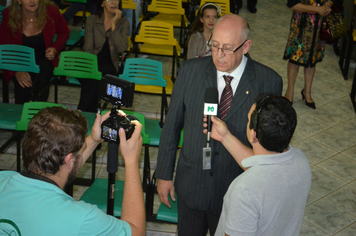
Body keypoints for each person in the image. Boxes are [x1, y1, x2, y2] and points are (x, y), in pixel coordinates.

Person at [155, 14, 283, 236]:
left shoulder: (268, 82)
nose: (219, 55)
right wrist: (164, 174)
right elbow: (171, 126)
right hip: (191, 185)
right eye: (214, 45)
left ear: (246, 47)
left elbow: (268, 149)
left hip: (235, 193)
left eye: (227, 48)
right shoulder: (190, 71)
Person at [0, 107, 146, 236]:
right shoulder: (82, 218)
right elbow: (137, 232)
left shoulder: (3, 179)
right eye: (82, 149)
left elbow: (68, 162)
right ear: (69, 160)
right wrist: (131, 161)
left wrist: (94, 140)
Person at [203, 93, 311, 236]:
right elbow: (261, 167)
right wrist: (225, 137)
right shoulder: (301, 162)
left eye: (248, 120)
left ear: (253, 134)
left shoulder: (245, 190)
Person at [0, 0, 70, 104]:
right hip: (19, 62)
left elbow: (65, 32)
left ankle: (39, 111)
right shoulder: (9, 14)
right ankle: (22, 113)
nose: (32, 1)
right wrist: (16, 71)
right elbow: (4, 46)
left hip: (43, 60)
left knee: (44, 73)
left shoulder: (51, 11)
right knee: (23, 87)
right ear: (19, 1)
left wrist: (55, 48)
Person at [80, 0, 129, 112]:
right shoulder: (92, 20)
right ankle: (88, 113)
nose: (113, 2)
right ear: (101, 3)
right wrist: (90, 67)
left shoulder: (123, 23)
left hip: (110, 65)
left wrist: (113, 25)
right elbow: (87, 49)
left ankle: (81, 111)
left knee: (94, 79)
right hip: (92, 62)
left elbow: (122, 48)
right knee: (92, 79)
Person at [283, 0, 333, 109]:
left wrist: (328, 5)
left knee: (312, 60)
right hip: (301, 26)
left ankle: (307, 92)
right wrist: (316, 9)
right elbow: (293, 5)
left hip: (318, 27)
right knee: (295, 59)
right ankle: (289, 92)